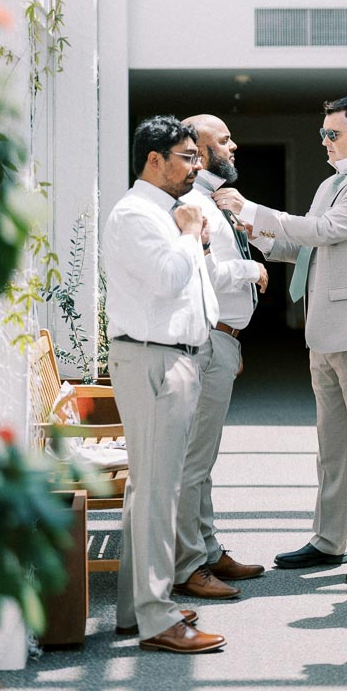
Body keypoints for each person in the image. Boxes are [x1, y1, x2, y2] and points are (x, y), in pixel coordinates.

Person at [214, 95, 347, 584]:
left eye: (333, 133)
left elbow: (324, 231)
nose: (324, 141)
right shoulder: (330, 183)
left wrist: (254, 207)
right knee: (332, 445)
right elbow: (301, 246)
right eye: (322, 133)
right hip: (324, 330)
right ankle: (329, 540)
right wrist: (254, 231)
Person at [102, 115, 226, 655]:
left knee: (146, 490)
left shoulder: (165, 212)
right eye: (187, 157)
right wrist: (191, 233)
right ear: (155, 160)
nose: (196, 166)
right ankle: (157, 617)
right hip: (153, 361)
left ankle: (137, 608)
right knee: (157, 492)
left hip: (172, 357)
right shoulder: (137, 215)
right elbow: (170, 278)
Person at [173, 114, 269, 600]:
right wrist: (251, 271)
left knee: (204, 459)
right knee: (195, 459)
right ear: (200, 150)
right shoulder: (192, 204)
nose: (235, 146)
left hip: (222, 340)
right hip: (209, 339)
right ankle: (189, 565)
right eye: (224, 140)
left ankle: (209, 551)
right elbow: (205, 273)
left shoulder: (212, 200)